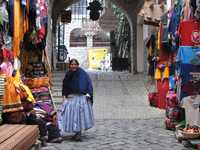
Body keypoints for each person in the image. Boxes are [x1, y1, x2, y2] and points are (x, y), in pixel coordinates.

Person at [58, 58, 94, 141]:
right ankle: (74, 132)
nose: (73, 66)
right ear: (69, 65)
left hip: (80, 98)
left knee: (79, 116)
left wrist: (88, 93)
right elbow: (65, 86)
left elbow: (88, 83)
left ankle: (78, 133)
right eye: (72, 64)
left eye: (75, 64)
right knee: (69, 116)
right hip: (71, 98)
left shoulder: (83, 74)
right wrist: (64, 96)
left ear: (78, 65)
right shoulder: (68, 74)